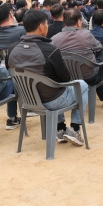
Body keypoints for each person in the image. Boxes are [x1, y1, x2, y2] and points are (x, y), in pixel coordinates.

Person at [7, 9, 89, 146]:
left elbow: (11, 73)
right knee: (81, 85)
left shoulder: (12, 48)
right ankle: (74, 128)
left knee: (53, 86)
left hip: (27, 100)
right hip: (51, 101)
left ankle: (60, 129)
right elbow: (65, 79)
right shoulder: (50, 50)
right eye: (46, 24)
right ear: (41, 26)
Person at [52, 8, 103, 109]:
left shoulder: (54, 39)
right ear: (79, 22)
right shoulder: (86, 34)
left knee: (91, 62)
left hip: (66, 76)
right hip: (89, 77)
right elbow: (98, 47)